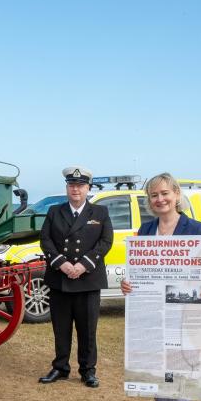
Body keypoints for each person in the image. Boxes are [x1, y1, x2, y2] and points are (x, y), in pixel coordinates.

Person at [121, 173, 201, 401]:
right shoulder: (146, 229)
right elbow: (138, 270)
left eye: (164, 193)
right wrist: (128, 283)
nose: (159, 199)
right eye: (153, 195)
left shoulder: (194, 228)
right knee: (156, 378)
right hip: (152, 315)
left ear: (176, 194)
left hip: (181, 312)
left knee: (177, 381)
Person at [38, 166, 114, 388]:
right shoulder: (54, 211)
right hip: (60, 279)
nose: (76, 189)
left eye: (80, 185)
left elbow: (105, 242)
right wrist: (61, 263)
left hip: (88, 280)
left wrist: (83, 264)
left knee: (87, 329)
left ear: (88, 188)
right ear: (67, 188)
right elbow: (46, 240)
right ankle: (60, 367)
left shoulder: (100, 213)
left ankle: (88, 370)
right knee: (61, 328)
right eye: (72, 185)